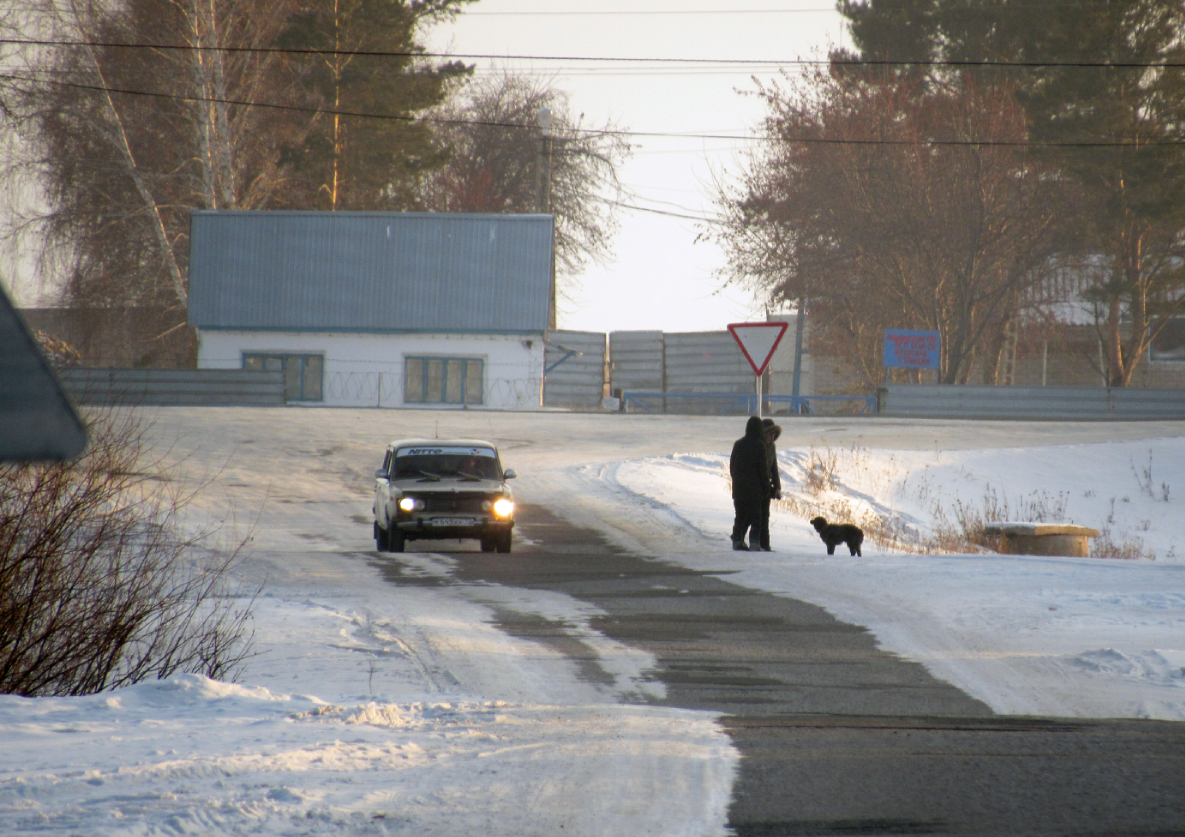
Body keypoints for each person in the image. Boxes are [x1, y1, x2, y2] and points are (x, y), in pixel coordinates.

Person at [729, 415, 773, 551]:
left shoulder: (738, 444)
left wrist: (736, 480)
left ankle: (737, 540)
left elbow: (732, 466)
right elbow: (763, 469)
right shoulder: (760, 446)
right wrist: (766, 487)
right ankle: (754, 543)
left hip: (739, 488)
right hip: (755, 489)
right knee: (756, 517)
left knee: (740, 515)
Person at [753, 418, 783, 551]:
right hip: (755, 485)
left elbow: (774, 468)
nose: (772, 437)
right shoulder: (757, 446)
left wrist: (777, 487)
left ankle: (765, 544)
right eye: (770, 434)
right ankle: (744, 539)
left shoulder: (772, 447)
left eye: (774, 435)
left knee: (765, 515)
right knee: (755, 515)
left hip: (766, 485)